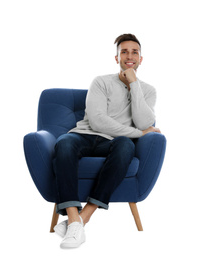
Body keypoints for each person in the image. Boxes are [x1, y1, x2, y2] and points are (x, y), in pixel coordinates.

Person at [52, 33, 161, 249]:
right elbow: (98, 121)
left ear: (141, 59)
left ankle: (83, 218)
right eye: (124, 52)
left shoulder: (148, 91)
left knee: (125, 146)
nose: (129, 56)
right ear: (116, 57)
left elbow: (143, 121)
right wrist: (140, 134)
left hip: (116, 141)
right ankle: (74, 218)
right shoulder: (101, 81)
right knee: (63, 143)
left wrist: (134, 84)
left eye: (134, 52)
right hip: (85, 135)